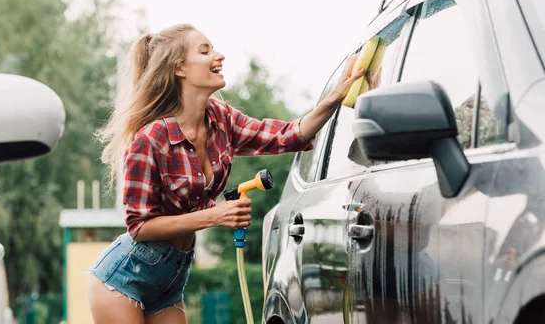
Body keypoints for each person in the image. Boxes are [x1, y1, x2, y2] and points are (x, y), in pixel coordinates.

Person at [88, 23, 365, 324]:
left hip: (171, 279)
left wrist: (334, 98)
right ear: (179, 68)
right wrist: (216, 216)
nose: (218, 56)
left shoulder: (221, 119)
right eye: (205, 51)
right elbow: (139, 227)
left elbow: (287, 136)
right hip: (124, 279)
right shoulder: (151, 140)